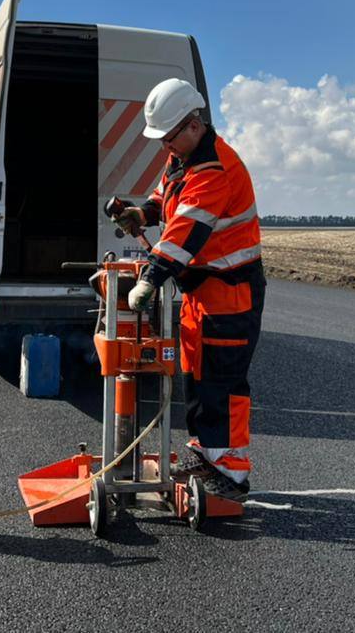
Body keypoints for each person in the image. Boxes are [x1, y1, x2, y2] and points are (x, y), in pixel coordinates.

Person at [117, 78, 264, 502]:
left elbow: (184, 233)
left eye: (169, 138)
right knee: (197, 379)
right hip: (203, 294)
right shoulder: (183, 159)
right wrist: (139, 213)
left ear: (193, 125)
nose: (165, 147)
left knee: (223, 383)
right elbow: (166, 199)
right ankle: (207, 454)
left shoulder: (214, 170)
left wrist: (149, 278)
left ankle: (231, 473)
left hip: (230, 293)